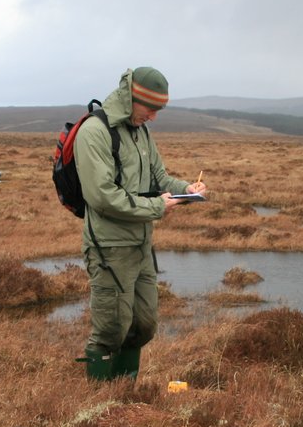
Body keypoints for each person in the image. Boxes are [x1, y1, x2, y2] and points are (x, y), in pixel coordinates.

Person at [75, 66, 207, 381]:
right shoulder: (95, 132)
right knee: (111, 328)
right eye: (151, 109)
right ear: (132, 98)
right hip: (109, 246)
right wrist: (155, 206)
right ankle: (99, 409)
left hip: (141, 244)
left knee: (143, 325)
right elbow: (102, 196)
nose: (154, 117)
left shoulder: (141, 131)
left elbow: (158, 176)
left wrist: (186, 189)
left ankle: (125, 396)